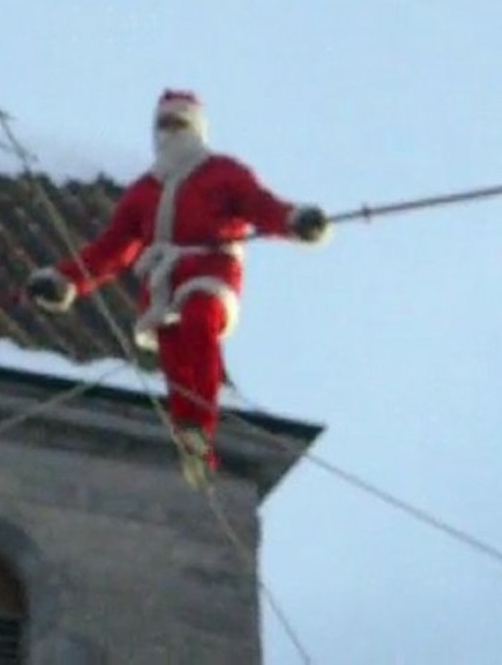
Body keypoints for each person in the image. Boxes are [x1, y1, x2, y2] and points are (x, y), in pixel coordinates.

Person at [26, 89, 330, 486]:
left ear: (196, 127)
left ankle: (202, 422)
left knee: (200, 323)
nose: (170, 133)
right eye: (163, 125)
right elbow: (111, 249)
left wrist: (295, 220)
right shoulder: (144, 191)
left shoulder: (224, 173)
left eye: (179, 124)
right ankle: (188, 430)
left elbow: (261, 206)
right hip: (164, 279)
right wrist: (65, 279)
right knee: (174, 354)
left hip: (210, 269)